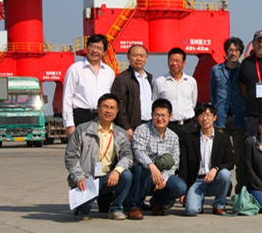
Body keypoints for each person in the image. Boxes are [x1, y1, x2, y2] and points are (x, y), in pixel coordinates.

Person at [64, 93, 133, 221]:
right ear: (98, 108)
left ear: (117, 111)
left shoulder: (121, 133)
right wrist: (79, 177)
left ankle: (115, 209)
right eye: (105, 107)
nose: (108, 111)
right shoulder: (82, 130)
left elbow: (128, 156)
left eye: (112, 108)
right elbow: (71, 157)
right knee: (83, 211)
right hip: (86, 180)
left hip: (108, 179)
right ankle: (82, 205)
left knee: (126, 175)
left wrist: (117, 171)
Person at [129, 99, 188, 219]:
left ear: (170, 116)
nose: (160, 118)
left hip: (162, 174)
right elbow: (138, 152)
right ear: (151, 115)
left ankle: (158, 202)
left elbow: (175, 162)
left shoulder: (173, 136)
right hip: (145, 173)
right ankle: (134, 205)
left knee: (180, 187)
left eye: (164, 115)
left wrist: (164, 178)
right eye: (157, 115)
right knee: (140, 169)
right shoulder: (142, 130)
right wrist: (152, 167)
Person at [178, 103, 234, 216]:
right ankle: (198, 201)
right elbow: (183, 166)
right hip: (197, 181)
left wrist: (216, 168)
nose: (205, 119)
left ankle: (219, 205)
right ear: (197, 118)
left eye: (208, 115)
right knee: (191, 211)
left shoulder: (223, 138)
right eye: (201, 115)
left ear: (215, 117)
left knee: (225, 174)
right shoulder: (189, 138)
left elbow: (230, 162)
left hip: (215, 180)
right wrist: (183, 191)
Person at [210, 37, 247, 193]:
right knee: (220, 157)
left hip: (239, 118)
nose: (233, 53)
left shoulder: (244, 70)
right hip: (220, 119)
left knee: (240, 158)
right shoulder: (216, 70)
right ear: (226, 52)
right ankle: (223, 190)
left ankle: (240, 191)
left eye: (236, 50)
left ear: (240, 52)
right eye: (231, 50)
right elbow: (213, 93)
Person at [62, 34, 115, 137]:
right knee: (82, 147)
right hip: (81, 117)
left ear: (104, 52)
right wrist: (69, 125)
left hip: (103, 117)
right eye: (92, 46)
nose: (95, 50)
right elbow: (67, 98)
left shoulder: (109, 72)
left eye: (99, 48)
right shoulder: (75, 69)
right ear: (87, 48)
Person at [152, 48, 198, 139]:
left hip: (189, 126)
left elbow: (193, 103)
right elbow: (156, 104)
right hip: (168, 126)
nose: (174, 63)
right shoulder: (160, 82)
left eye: (177, 61)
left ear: (184, 63)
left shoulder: (191, 81)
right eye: (171, 60)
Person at [111, 45, 153, 141]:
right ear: (128, 57)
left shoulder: (148, 78)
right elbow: (119, 105)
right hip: (132, 127)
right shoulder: (122, 79)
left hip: (149, 125)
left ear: (146, 58)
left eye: (142, 56)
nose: (139, 59)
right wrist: (127, 127)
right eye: (135, 55)